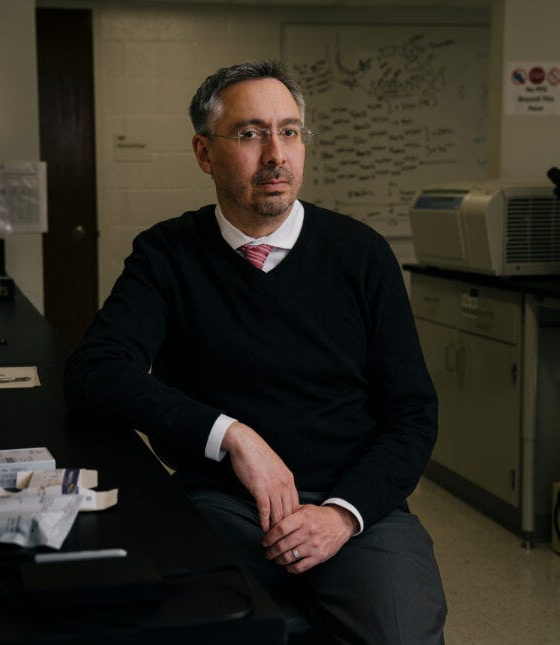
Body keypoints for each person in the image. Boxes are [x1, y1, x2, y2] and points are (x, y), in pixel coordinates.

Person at [64, 60, 447, 644]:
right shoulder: (167, 255)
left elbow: (413, 413)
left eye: (289, 132)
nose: (276, 154)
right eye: (249, 134)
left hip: (358, 504)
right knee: (193, 625)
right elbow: (95, 372)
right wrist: (231, 435)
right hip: (224, 503)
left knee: (398, 633)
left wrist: (342, 513)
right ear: (203, 152)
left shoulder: (361, 255)